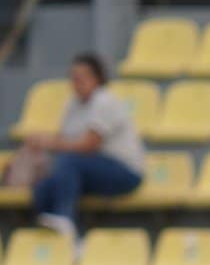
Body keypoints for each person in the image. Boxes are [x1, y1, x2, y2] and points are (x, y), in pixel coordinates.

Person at [25, 53, 145, 244]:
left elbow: (89, 144)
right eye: (73, 77)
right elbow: (64, 139)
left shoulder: (105, 100)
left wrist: (48, 142)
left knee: (69, 161)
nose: (77, 82)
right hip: (90, 170)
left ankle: (65, 218)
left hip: (124, 171)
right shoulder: (72, 104)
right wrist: (40, 141)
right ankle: (64, 240)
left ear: (97, 78)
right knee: (44, 187)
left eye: (83, 77)